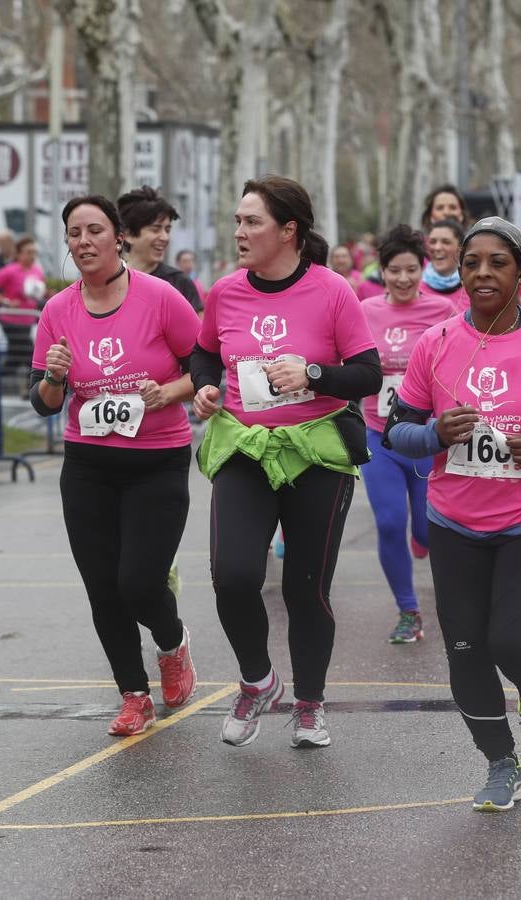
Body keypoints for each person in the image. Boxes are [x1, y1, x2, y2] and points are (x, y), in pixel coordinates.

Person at [385, 216, 521, 811]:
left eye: (497, 263)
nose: (482, 273)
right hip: (455, 522)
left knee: (516, 639)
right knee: (465, 649)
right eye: (471, 264)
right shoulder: (435, 345)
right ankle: (499, 764)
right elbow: (394, 431)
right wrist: (432, 433)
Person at [191, 175, 381, 749]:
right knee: (233, 576)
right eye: (237, 221)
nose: (239, 232)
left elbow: (369, 373)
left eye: (252, 222)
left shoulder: (332, 291)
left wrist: (314, 374)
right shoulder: (225, 291)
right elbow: (203, 351)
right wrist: (203, 387)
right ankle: (258, 680)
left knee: (306, 590)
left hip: (315, 451)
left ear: (289, 230)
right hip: (245, 447)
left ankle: (310, 704)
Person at [29, 194, 201, 737]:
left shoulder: (161, 298)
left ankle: (172, 644)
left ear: (118, 237)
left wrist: (167, 391)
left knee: (140, 581)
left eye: (95, 231)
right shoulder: (58, 310)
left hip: (156, 460)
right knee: (102, 586)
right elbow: (43, 401)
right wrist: (54, 378)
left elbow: (205, 366)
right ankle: (133, 695)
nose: (84, 242)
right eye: (74, 233)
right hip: (88, 465)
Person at [359, 224, 455, 644]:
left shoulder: (444, 312)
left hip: (424, 438)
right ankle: (408, 610)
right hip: (378, 436)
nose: (402, 279)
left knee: (427, 532)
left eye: (411, 270)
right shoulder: (364, 311)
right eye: (394, 270)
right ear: (382, 271)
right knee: (389, 521)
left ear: (424, 269)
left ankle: (423, 542)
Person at [117, 186, 203, 312]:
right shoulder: (109, 281)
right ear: (129, 235)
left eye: (167, 230)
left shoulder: (180, 283)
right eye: (155, 229)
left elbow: (198, 330)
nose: (165, 237)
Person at [0, 234, 47, 374]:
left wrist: (49, 295)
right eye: (28, 252)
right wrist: (6, 302)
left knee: (15, 357)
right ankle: (33, 389)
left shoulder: (37, 270)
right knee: (29, 355)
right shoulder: (9, 270)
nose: (32, 256)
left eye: (34, 253)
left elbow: (39, 293)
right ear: (19, 254)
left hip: (27, 320)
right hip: (10, 321)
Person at [422, 218, 470, 311]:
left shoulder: (472, 290)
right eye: (432, 242)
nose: (437, 247)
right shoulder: (414, 289)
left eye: (446, 242)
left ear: (460, 250)